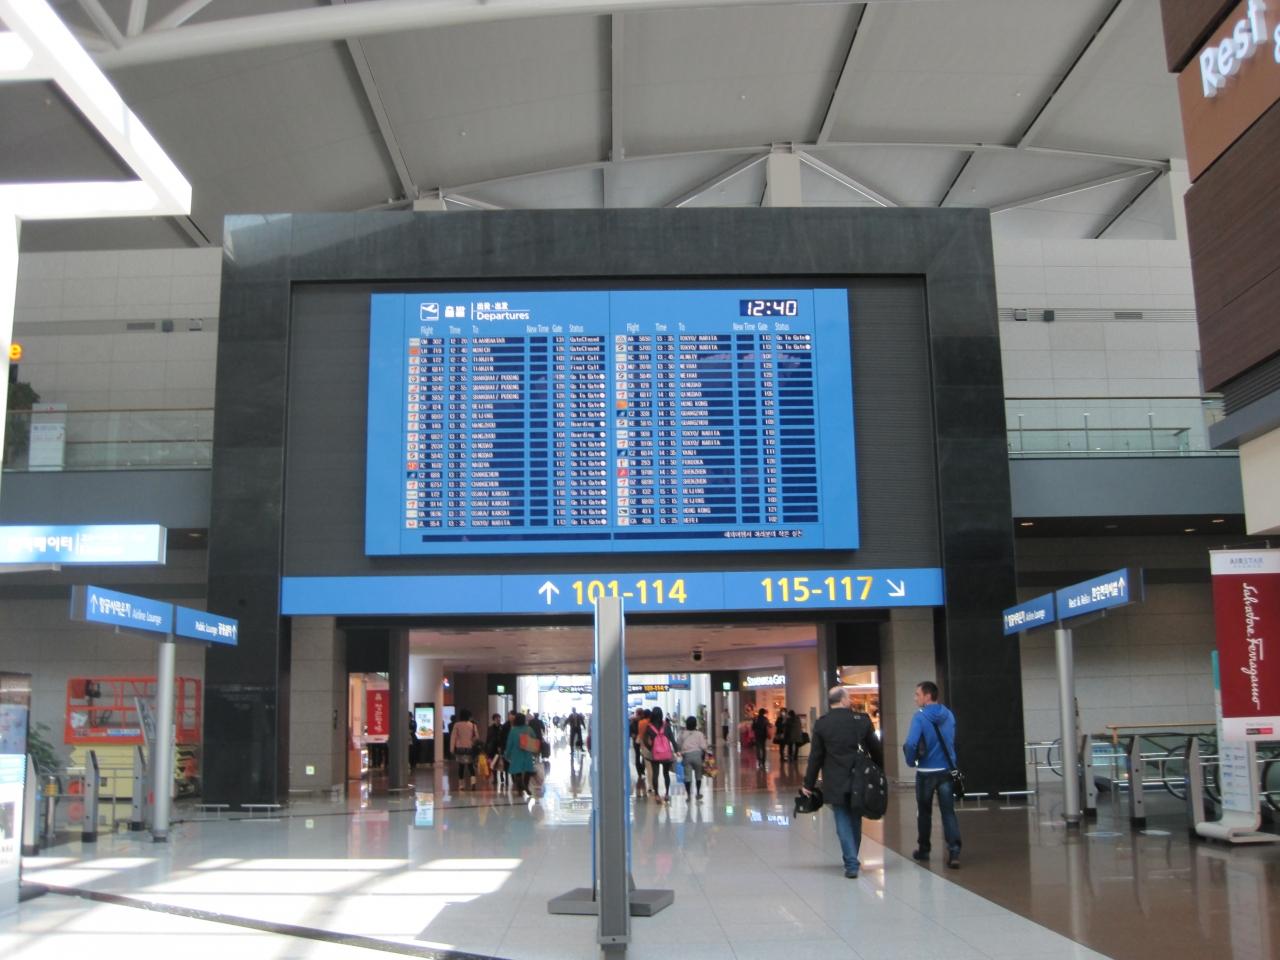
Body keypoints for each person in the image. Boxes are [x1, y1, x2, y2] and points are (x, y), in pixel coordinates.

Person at [802, 685, 884, 879]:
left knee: (842, 819)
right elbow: (876, 749)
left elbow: (816, 757)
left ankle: (851, 861)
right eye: (849, 697)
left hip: (834, 779)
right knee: (855, 818)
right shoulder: (862, 720)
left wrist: (808, 783)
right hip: (860, 778)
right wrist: (879, 772)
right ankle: (852, 858)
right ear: (844, 700)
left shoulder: (822, 724)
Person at [903, 680, 962, 869]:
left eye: (917, 695)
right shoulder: (949, 715)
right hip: (946, 770)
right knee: (948, 812)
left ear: (927, 696)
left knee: (924, 812)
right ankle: (954, 851)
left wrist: (911, 761)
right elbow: (951, 740)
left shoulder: (920, 717)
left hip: (926, 772)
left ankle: (924, 849)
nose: (915, 698)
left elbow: (911, 743)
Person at [643, 707, 677, 803]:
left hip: (655, 755)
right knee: (666, 774)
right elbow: (672, 739)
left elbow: (645, 740)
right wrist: (677, 750)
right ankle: (666, 794)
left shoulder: (649, 727)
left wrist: (651, 748)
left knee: (655, 774)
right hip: (666, 754)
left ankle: (657, 795)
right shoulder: (666, 726)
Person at [504, 711, 538, 798]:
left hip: (516, 754)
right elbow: (535, 739)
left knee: (517, 771)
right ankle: (526, 785)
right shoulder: (529, 729)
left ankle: (520, 788)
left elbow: (509, 743)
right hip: (527, 753)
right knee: (528, 770)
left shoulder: (513, 730)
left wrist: (507, 754)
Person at [677, 715, 708, 799]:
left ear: (686, 724)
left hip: (686, 756)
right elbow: (704, 746)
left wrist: (681, 751)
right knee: (698, 775)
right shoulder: (699, 734)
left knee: (687, 777)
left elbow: (678, 744)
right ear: (695, 724)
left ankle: (688, 795)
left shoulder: (682, 734)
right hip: (697, 756)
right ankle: (698, 793)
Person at [450, 708, 479, 790]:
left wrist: (452, 748)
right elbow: (477, 737)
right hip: (470, 748)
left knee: (461, 767)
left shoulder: (457, 725)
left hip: (460, 749)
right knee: (470, 766)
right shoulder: (473, 725)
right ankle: (473, 783)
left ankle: (461, 785)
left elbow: (453, 737)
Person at [485, 712, 506, 789]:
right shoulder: (490, 728)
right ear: (493, 720)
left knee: (501, 763)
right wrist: (486, 748)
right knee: (493, 763)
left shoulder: (502, 727)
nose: (498, 720)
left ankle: (501, 775)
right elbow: (488, 739)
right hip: (492, 748)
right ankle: (495, 778)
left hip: (500, 747)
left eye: (499, 719)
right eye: (497, 719)